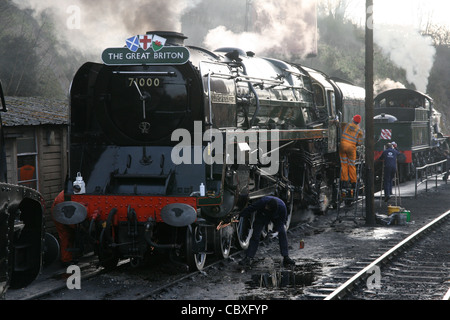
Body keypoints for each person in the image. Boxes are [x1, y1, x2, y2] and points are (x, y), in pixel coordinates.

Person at [238, 196, 295, 267]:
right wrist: (240, 215)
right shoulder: (262, 202)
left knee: (282, 233)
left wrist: (276, 232)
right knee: (256, 234)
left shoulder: (282, 208)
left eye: (268, 208)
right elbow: (251, 208)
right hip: (263, 215)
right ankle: (249, 257)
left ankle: (286, 256)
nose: (266, 208)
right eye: (266, 206)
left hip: (275, 217)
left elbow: (281, 222)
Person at [51, 190, 76, 267]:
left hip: (63, 212)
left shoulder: (68, 192)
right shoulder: (65, 197)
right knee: (65, 236)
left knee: (67, 236)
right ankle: (66, 260)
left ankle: (69, 257)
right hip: (61, 214)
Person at [339, 115, 364, 189]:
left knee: (344, 164)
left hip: (342, 146)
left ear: (352, 120)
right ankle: (353, 182)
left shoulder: (347, 125)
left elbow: (339, 124)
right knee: (351, 165)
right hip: (351, 148)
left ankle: (344, 181)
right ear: (359, 122)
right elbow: (359, 143)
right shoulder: (359, 131)